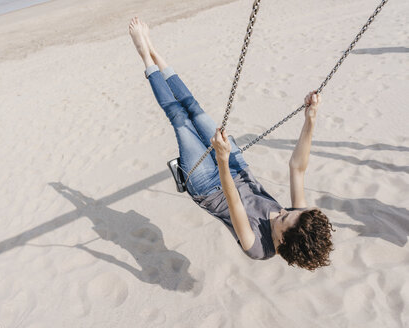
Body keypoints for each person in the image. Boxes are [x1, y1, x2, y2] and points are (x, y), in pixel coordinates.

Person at [129, 17, 335, 271]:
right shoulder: (298, 220)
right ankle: (153, 50)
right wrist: (310, 119)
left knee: (180, 119)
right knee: (194, 108)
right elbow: (297, 168)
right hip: (238, 168)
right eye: (291, 211)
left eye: (283, 217)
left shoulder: (258, 247)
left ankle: (144, 57)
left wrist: (222, 158)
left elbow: (233, 199)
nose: (285, 211)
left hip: (208, 187)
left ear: (282, 241)